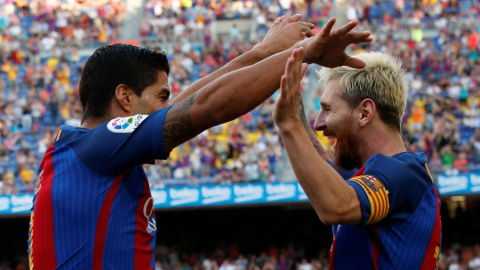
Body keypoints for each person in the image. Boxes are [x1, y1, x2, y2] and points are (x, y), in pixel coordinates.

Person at [28, 16, 372, 269]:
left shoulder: (86, 154)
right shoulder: (98, 148)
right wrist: (303, 52)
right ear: (125, 98)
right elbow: (204, 107)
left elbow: (193, 101)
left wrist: (263, 51)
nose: (169, 105)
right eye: (161, 96)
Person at [272, 51, 442, 269]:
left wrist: (289, 124)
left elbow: (336, 205)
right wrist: (295, 109)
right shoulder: (367, 174)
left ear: (364, 112)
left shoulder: (407, 174)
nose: (318, 124)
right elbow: (325, 173)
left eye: (327, 109)